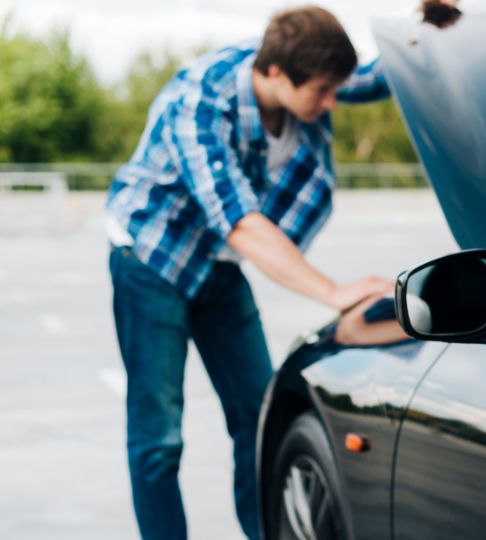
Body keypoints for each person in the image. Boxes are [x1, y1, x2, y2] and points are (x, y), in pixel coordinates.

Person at [106, 6, 401, 539]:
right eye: (322, 93)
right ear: (275, 75)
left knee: (256, 420)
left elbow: (383, 75)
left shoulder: (299, 67)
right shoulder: (198, 100)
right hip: (153, 260)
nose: (333, 103)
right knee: (159, 438)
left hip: (218, 267)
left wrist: (432, 24)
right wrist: (333, 292)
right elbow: (238, 223)